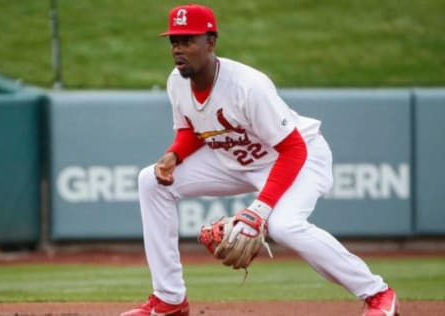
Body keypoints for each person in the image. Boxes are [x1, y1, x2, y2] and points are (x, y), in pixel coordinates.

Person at [120, 4, 399, 316]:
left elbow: (293, 149)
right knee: (151, 181)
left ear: (211, 42)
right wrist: (173, 156)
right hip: (236, 160)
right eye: (174, 41)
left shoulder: (247, 86)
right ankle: (170, 299)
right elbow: (192, 130)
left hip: (298, 157)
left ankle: (378, 293)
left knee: (284, 226)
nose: (178, 49)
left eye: (188, 41)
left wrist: (259, 211)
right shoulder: (177, 81)